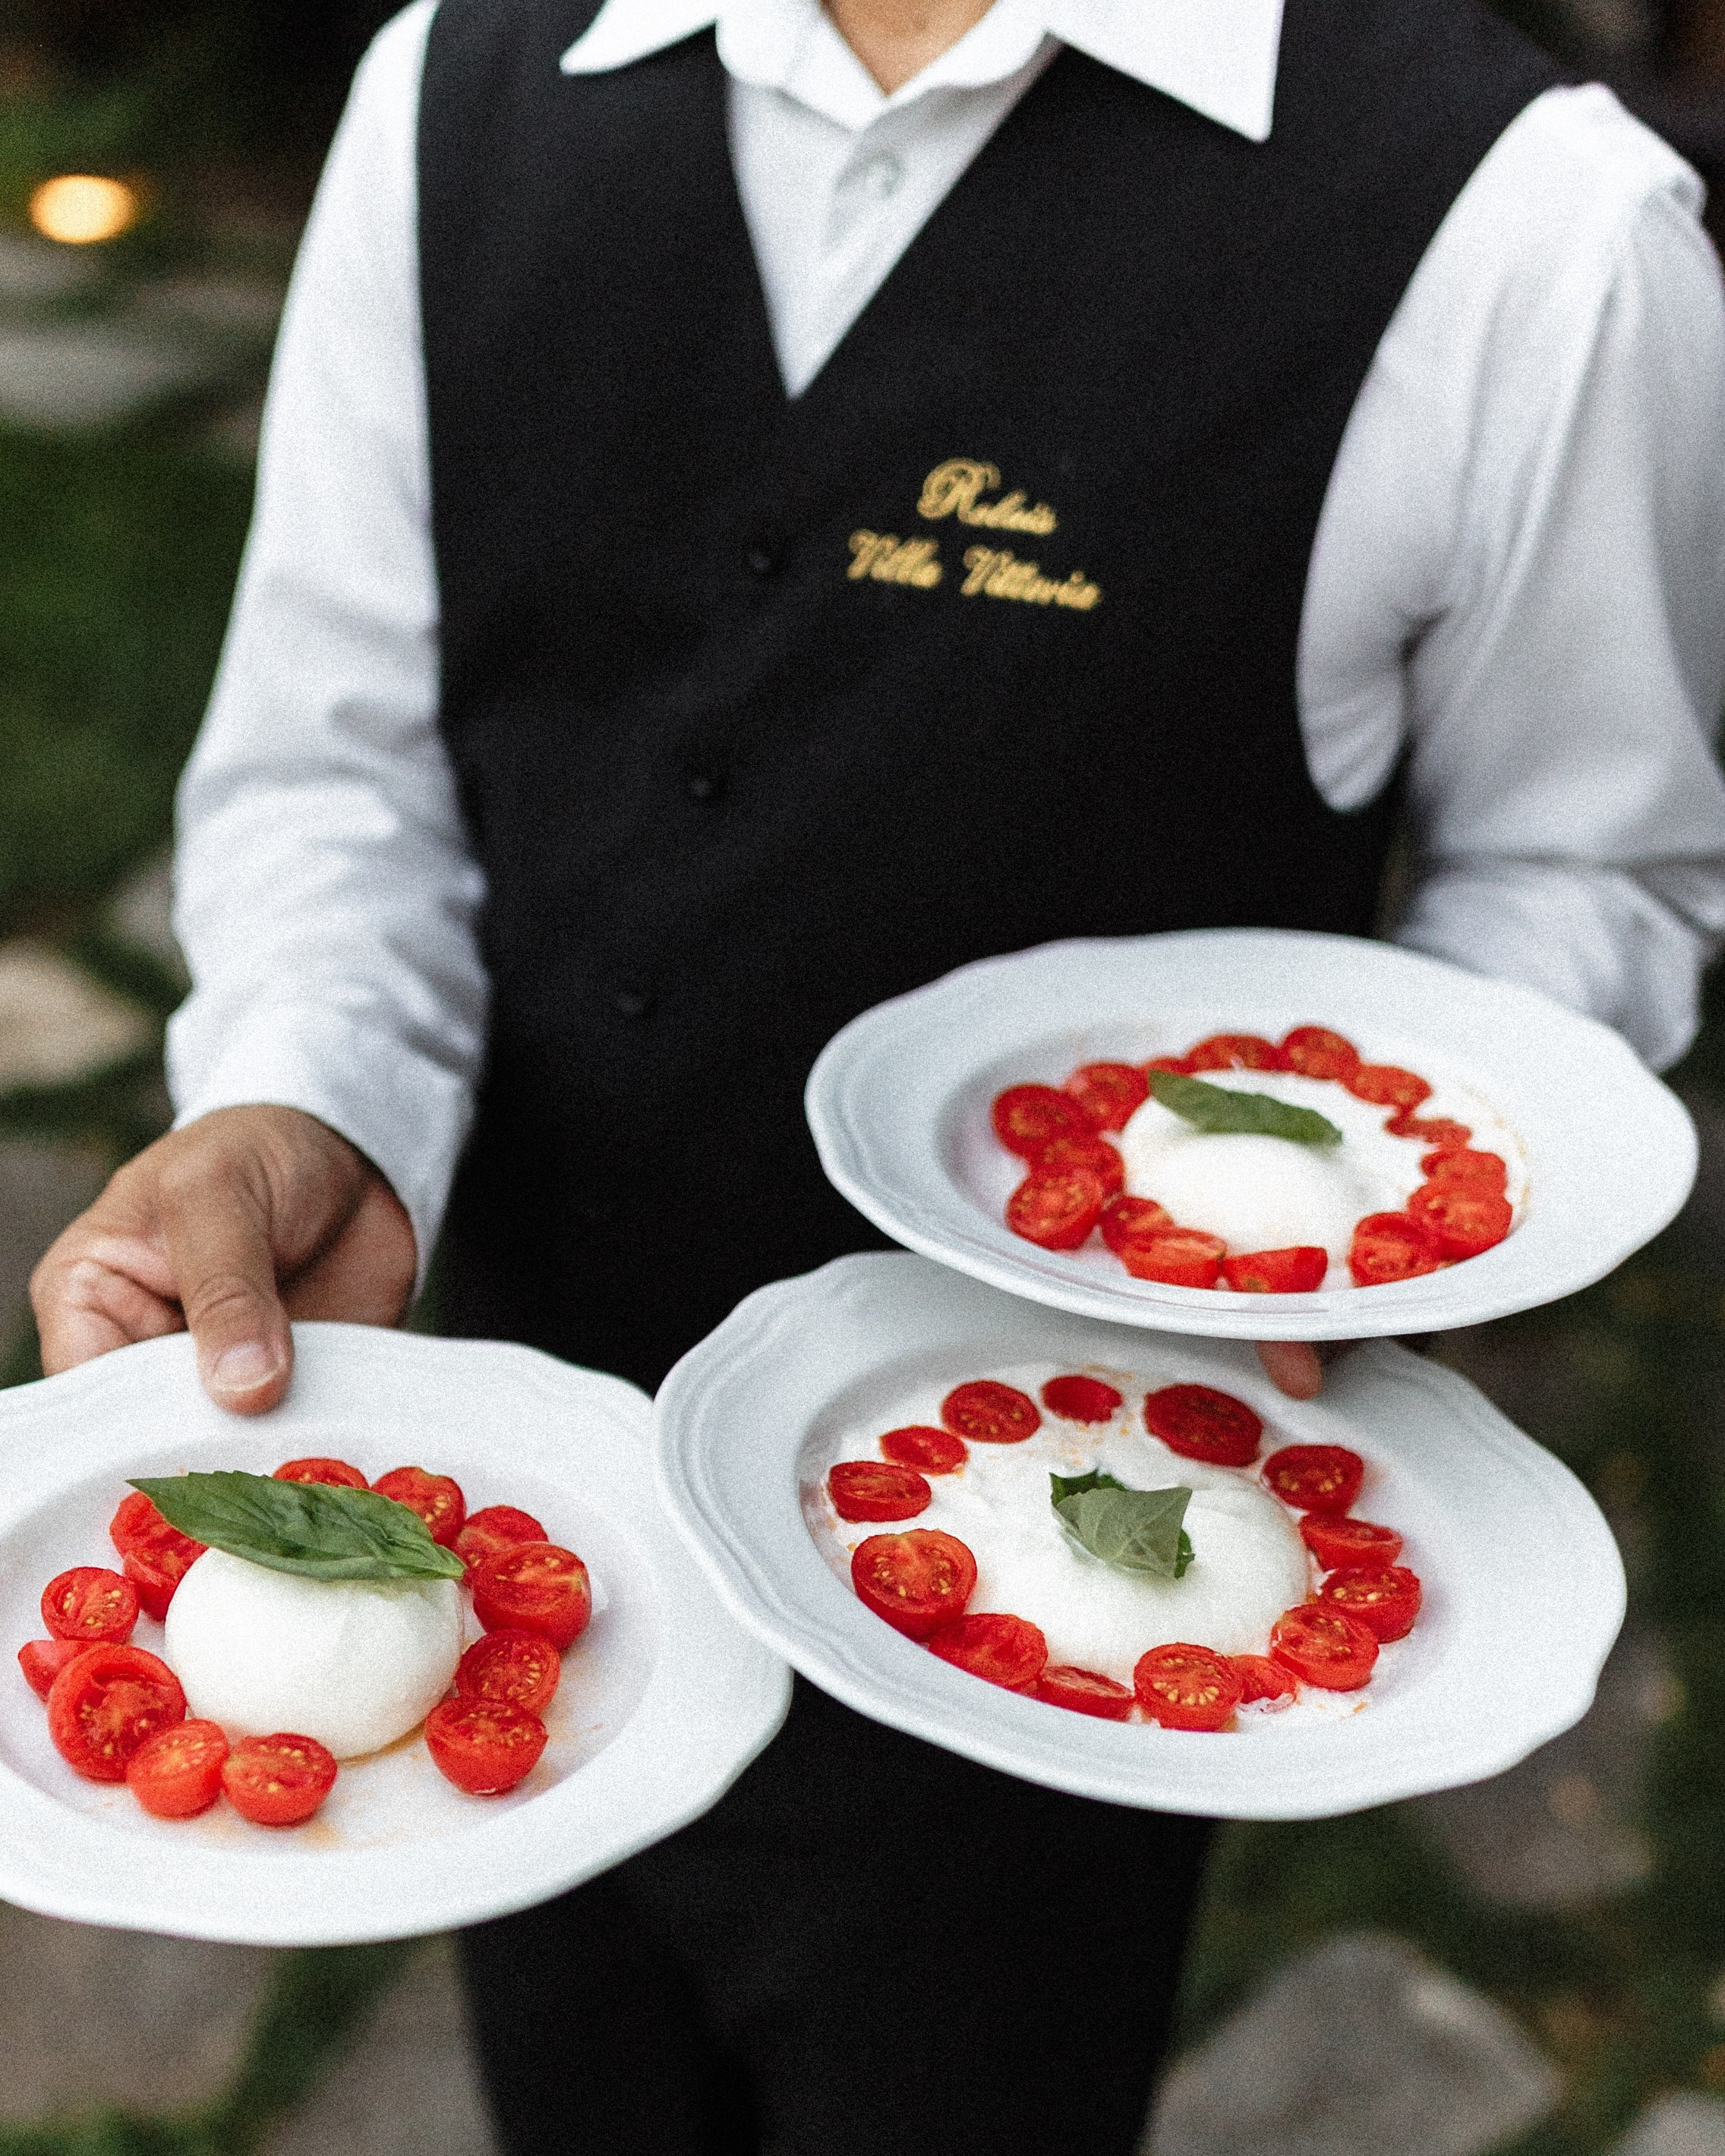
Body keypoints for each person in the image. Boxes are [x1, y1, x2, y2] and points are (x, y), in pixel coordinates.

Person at [30, 0, 1725, 2146]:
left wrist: (1342, 1211)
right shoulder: (451, 83)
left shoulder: (1533, 222)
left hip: (1081, 1591)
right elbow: (338, 763)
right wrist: (305, 1090)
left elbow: (1588, 858)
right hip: (545, 1499)